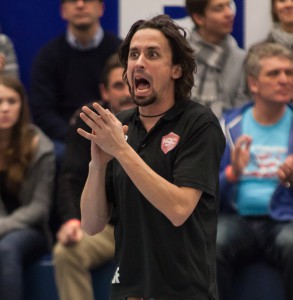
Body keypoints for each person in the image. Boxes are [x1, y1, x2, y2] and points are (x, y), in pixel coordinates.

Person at [78, 14, 225, 300]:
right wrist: (97, 165)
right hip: (129, 290)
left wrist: (121, 150)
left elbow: (179, 209)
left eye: (152, 54)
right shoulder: (119, 124)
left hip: (184, 290)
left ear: (176, 69)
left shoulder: (198, 123)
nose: (139, 62)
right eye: (133, 54)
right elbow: (92, 225)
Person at [53, 54, 135, 300]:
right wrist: (71, 220)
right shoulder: (87, 122)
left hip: (150, 229)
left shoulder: (157, 122)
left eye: (130, 84)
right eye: (118, 86)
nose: (126, 93)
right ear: (105, 92)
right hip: (106, 228)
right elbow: (70, 177)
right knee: (66, 252)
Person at [217, 42, 293, 300]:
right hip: (236, 219)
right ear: (254, 84)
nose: (284, 80)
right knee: (214, 242)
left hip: (286, 221)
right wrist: (232, 174)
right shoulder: (227, 127)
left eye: (289, 73)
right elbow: (201, 192)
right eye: (274, 73)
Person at [29, 0, 122, 156]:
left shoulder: (119, 52)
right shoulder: (48, 57)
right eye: (72, 1)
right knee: (56, 154)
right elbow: (42, 110)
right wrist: (75, 135)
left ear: (101, 8)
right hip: (65, 138)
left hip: (115, 132)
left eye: (87, 0)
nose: (80, 5)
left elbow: (131, 102)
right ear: (63, 11)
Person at [0, 75, 55, 300]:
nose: (4, 108)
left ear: (22, 105)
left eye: (12, 101)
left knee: (5, 249)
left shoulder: (40, 147)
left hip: (32, 231)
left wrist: (2, 227)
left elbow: (39, 208)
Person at [185, 0, 247, 118]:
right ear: (199, 18)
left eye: (229, 6)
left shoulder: (241, 59)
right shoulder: (179, 55)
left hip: (226, 133)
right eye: (219, 8)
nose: (229, 13)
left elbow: (242, 111)